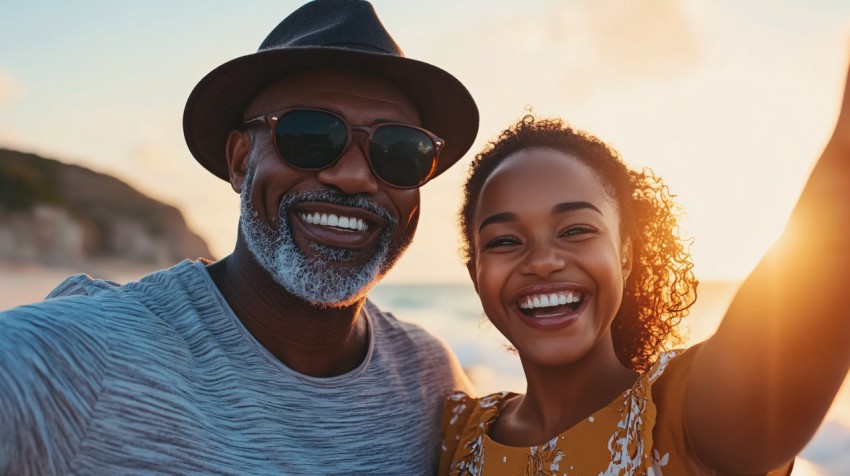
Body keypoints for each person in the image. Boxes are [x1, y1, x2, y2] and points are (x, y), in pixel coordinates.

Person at [0, 1, 478, 474]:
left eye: (399, 151)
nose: (354, 176)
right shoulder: (72, 357)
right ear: (240, 160)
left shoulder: (429, 380)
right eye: (310, 135)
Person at [439, 59, 850, 474]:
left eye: (576, 230)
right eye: (504, 240)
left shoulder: (688, 419)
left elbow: (831, 248)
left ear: (625, 255)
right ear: (476, 275)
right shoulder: (457, 432)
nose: (543, 261)